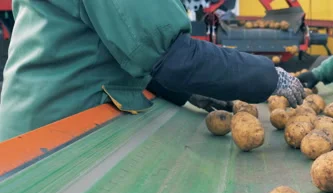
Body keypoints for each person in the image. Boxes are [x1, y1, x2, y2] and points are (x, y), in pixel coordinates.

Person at [0, 0, 305, 142]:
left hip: (43, 117)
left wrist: (186, 89)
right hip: (56, 133)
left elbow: (120, 46)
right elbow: (174, 55)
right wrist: (269, 76)